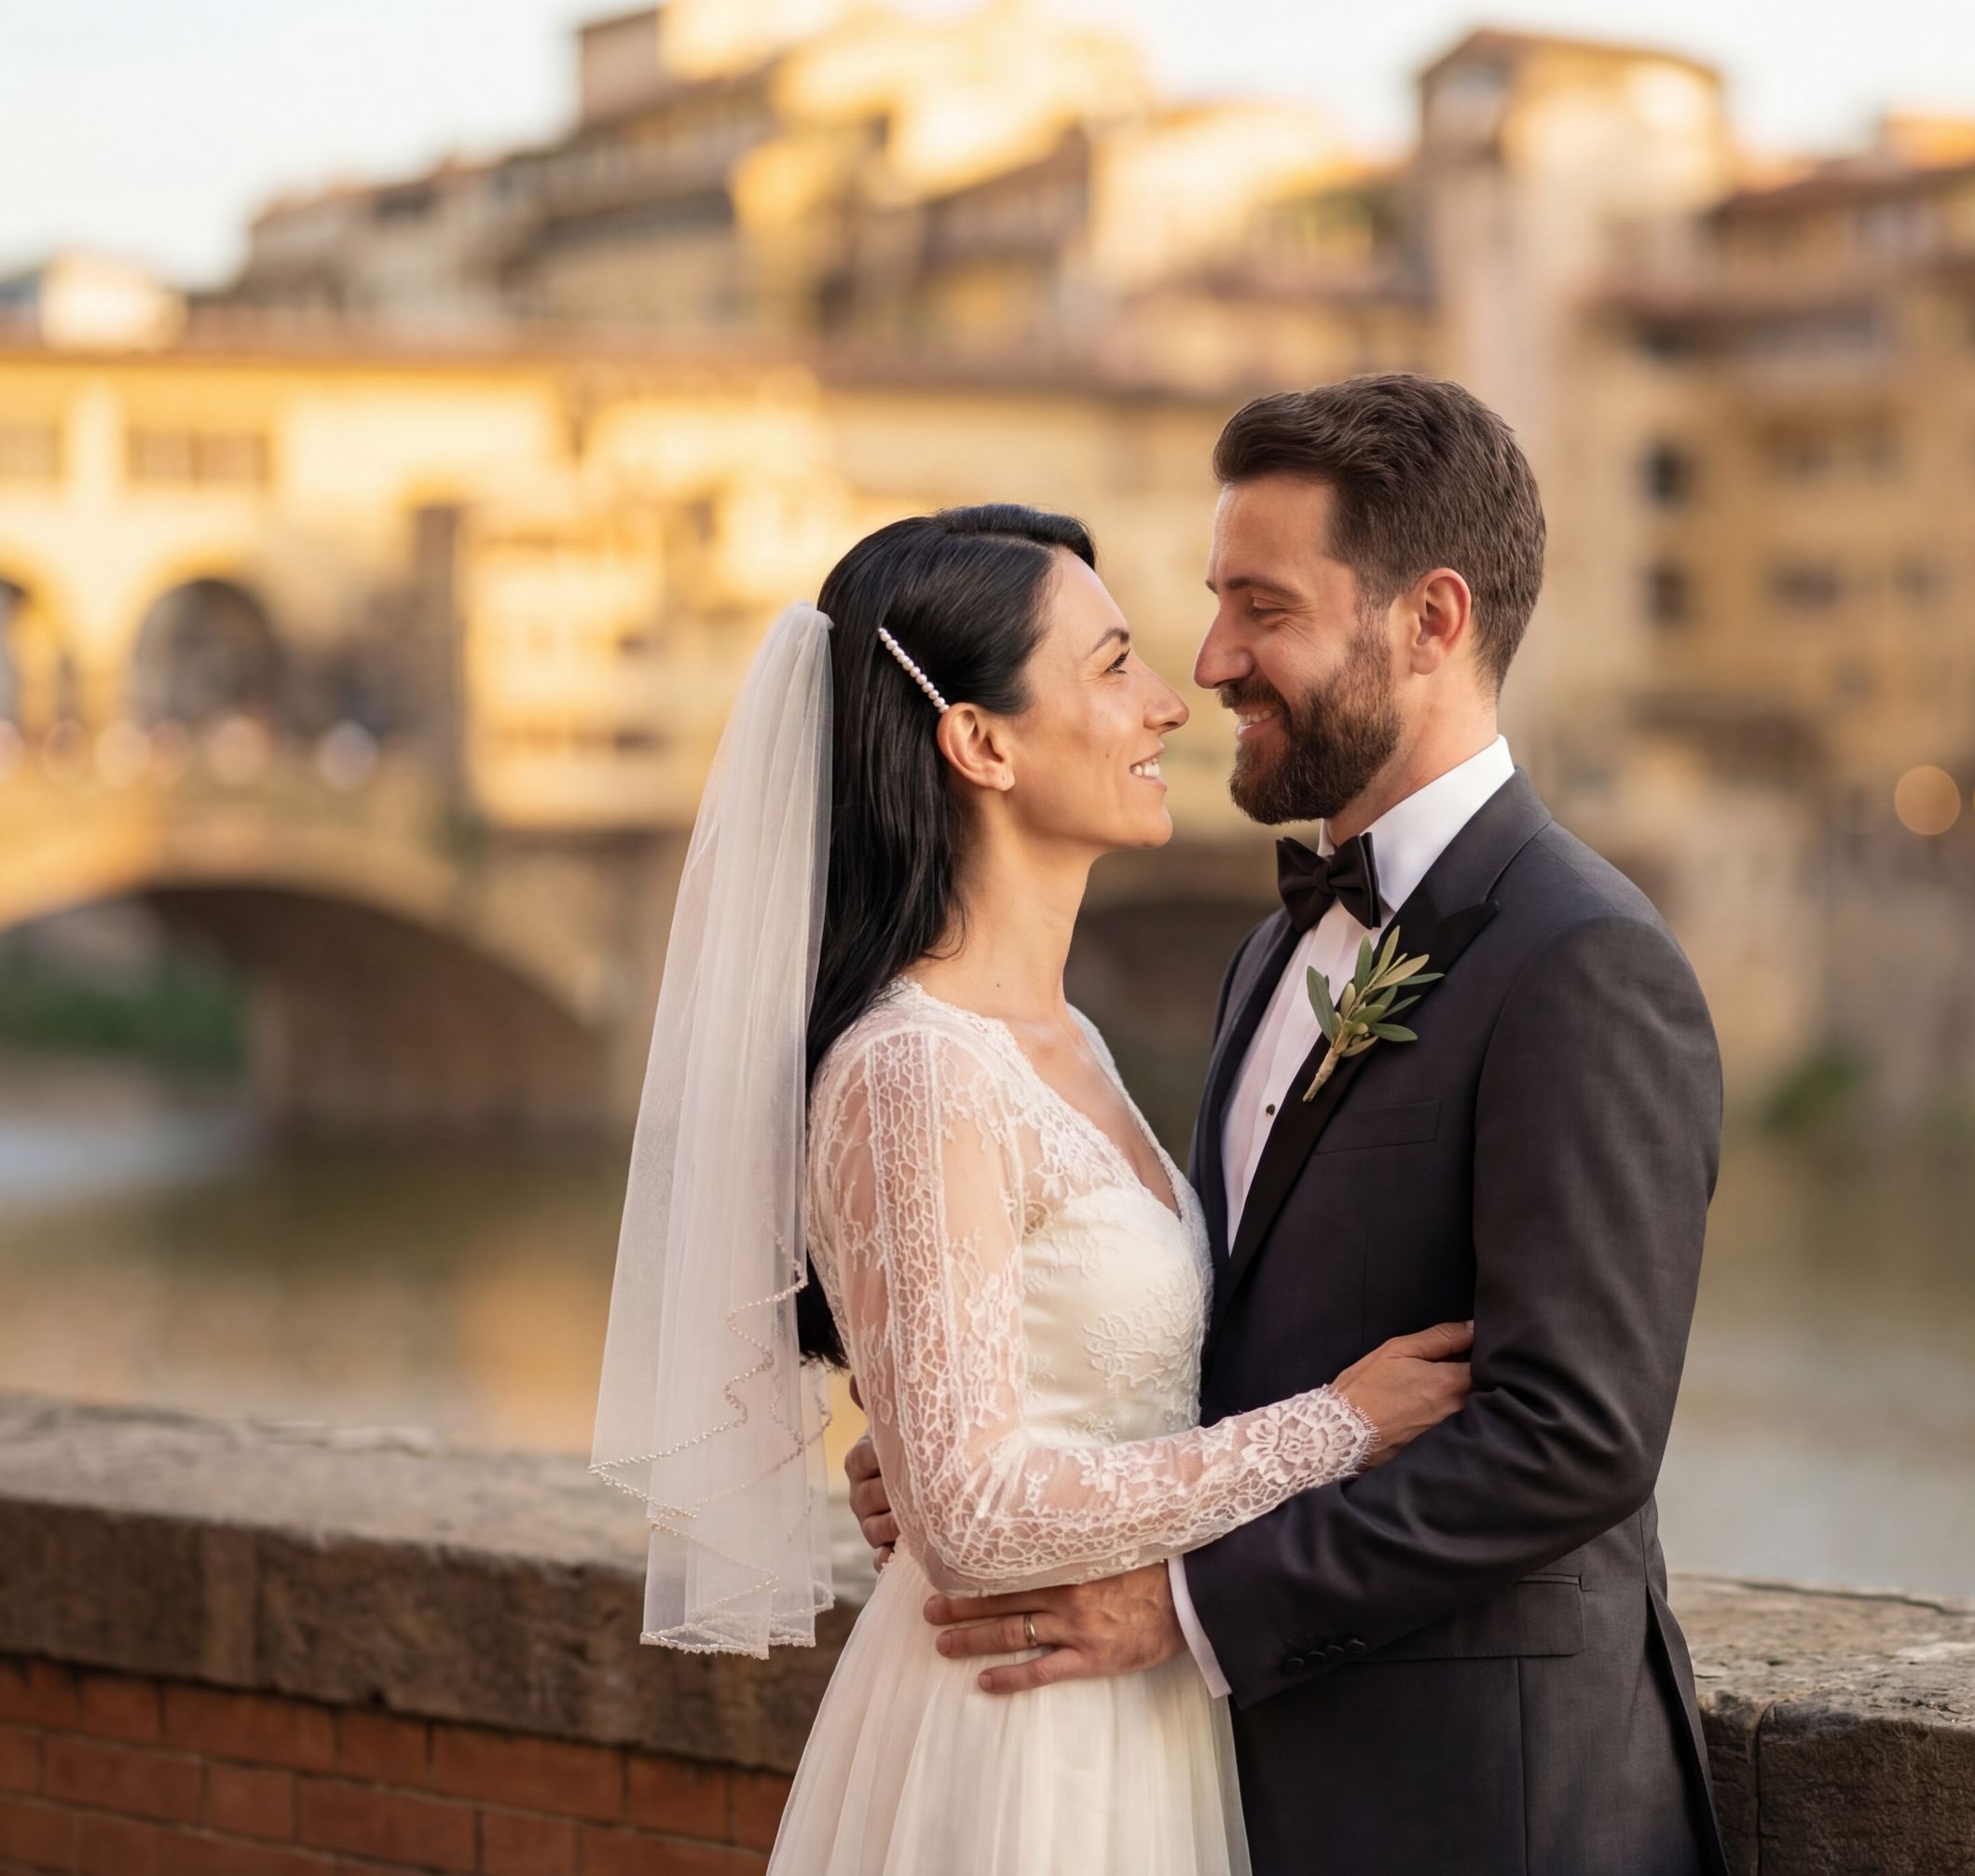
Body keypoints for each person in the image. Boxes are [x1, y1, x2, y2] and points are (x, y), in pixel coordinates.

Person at [844, 377, 1728, 1875]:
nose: (1211, 662)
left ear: (1429, 621)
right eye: (1208, 606)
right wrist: (980, 1437)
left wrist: (1185, 1605)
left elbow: (1572, 1435)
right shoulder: (1268, 956)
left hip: (1481, 1808)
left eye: (1262, 608)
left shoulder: (1585, 958)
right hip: (1222, 1788)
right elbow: (1217, 1335)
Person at [591, 503, 1476, 1875]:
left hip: (1147, 1709)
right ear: (982, 741)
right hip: (1019, 1747)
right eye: (1114, 664)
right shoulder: (912, 1067)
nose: (1168, 703)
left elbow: (1027, 1402)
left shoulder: (1074, 1043)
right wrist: (1338, 1427)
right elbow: (974, 1514)